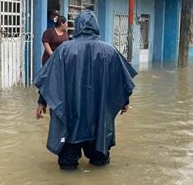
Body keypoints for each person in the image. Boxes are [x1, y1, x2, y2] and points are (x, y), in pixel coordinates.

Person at [34, 10, 137, 170]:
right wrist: (124, 101)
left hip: (71, 114)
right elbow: (120, 80)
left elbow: (50, 79)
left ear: (78, 27)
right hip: (98, 116)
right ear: (96, 27)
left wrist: (42, 102)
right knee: (100, 163)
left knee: (67, 165)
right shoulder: (109, 51)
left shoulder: (63, 50)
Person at [36, 16, 69, 115]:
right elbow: (46, 45)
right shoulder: (49, 32)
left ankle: (53, 101)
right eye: (66, 23)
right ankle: (42, 101)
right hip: (49, 60)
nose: (67, 25)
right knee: (47, 80)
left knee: (58, 81)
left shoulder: (65, 34)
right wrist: (53, 56)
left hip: (60, 61)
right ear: (62, 23)